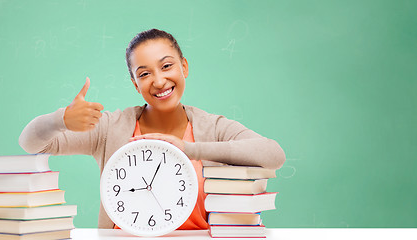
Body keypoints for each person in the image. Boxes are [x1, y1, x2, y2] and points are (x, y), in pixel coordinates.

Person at [19, 28, 286, 229]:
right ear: (136, 84)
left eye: (167, 66)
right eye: (144, 74)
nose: (159, 81)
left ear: (184, 67)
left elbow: (274, 155)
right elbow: (31, 143)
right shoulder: (110, 129)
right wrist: (61, 120)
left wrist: (189, 149)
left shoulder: (212, 127)